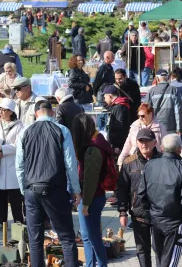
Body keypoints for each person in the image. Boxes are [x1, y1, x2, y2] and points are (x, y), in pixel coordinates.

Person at [15, 101, 81, 267]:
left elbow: (19, 165)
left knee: (35, 239)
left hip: (32, 189)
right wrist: (76, 189)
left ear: (36, 113)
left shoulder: (25, 132)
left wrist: (24, 189)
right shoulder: (62, 130)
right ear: (52, 113)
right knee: (66, 237)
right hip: (55, 188)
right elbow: (70, 163)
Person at [138, 134, 182, 267]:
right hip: (175, 222)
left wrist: (151, 213)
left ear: (162, 148)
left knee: (160, 259)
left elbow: (141, 195)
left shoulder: (150, 165)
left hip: (156, 220)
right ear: (179, 149)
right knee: (170, 262)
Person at [72, 113, 114, 267]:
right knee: (88, 235)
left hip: (92, 198)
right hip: (91, 197)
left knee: (92, 236)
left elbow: (90, 180)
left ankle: (100, 264)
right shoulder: (94, 144)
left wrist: (86, 204)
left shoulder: (93, 148)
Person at [118, 128, 162, 267]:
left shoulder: (163, 160)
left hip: (159, 212)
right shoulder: (129, 162)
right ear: (136, 142)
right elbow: (122, 189)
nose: (144, 144)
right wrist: (122, 212)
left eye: (147, 141)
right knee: (142, 249)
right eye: (141, 141)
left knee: (160, 248)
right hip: (139, 212)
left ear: (155, 142)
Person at [0, 99, 24, 231]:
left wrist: (2, 149)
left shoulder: (19, 126)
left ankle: (18, 223)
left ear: (11, 111)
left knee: (15, 198)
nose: (1, 112)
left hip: (12, 167)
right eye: (0, 110)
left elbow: (18, 146)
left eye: (4, 110)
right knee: (0, 196)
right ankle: (2, 222)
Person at [145, 69, 182, 134]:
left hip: (155, 127)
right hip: (171, 128)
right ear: (168, 78)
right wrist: (179, 128)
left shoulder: (151, 91)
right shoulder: (174, 90)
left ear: (157, 78)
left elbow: (146, 110)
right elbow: (178, 110)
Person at [103, 85, 130, 155]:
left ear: (110, 96)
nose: (104, 100)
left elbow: (119, 128)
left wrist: (116, 145)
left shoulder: (119, 107)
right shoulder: (118, 107)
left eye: (105, 97)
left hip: (118, 146)